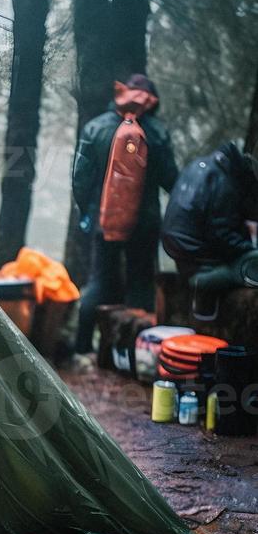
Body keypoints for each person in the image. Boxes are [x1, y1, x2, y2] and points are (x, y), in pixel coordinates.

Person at [72, 74, 178, 363]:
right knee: (140, 285)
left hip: (104, 219)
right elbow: (172, 180)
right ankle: (133, 357)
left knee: (99, 282)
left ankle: (82, 348)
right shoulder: (156, 131)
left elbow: (80, 179)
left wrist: (87, 212)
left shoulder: (95, 128)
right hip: (144, 223)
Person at [162, 141, 258, 320]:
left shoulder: (203, 166)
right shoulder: (224, 181)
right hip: (200, 259)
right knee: (251, 264)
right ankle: (209, 281)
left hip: (183, 254)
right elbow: (221, 235)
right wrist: (249, 250)